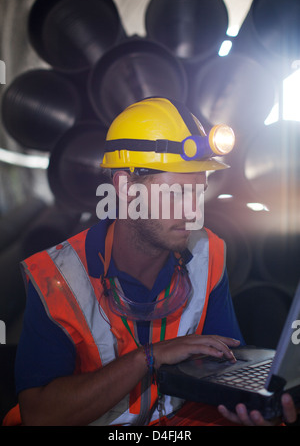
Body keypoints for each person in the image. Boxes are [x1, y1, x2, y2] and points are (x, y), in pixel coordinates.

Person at [3, 97, 299, 426]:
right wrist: (150, 357)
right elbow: (40, 415)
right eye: (175, 194)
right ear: (126, 186)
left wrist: (253, 408)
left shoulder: (207, 253)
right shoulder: (57, 278)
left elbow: (226, 370)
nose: (192, 212)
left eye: (198, 193)